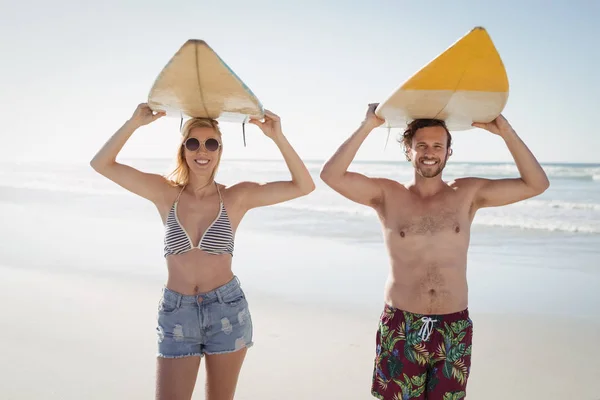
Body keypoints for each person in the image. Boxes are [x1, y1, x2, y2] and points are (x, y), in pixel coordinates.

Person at [319, 103, 549, 399]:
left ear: (448, 152)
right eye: (422, 145)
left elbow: (537, 184)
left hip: (453, 326)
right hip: (402, 324)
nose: (430, 152)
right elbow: (331, 175)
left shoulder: (468, 193)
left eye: (438, 146)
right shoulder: (387, 194)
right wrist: (368, 125)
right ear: (408, 151)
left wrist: (505, 131)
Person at [90, 103, 315, 400]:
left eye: (211, 144)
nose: (202, 150)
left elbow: (304, 186)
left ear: (220, 151)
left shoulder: (237, 196)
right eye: (193, 143)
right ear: (183, 149)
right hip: (177, 311)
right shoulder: (164, 192)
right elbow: (101, 164)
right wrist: (134, 123)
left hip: (226, 309)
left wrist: (278, 137)